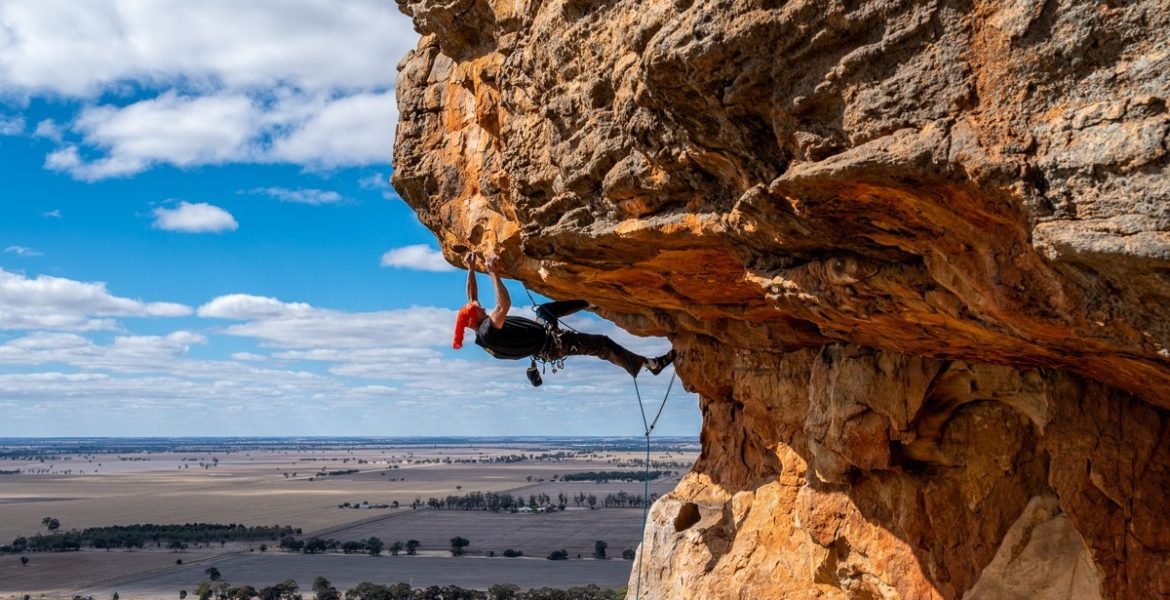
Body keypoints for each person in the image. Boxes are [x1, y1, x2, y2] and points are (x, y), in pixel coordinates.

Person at [453, 252, 675, 381]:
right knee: (602, 344)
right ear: (475, 320)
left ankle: (590, 300)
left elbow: (472, 297)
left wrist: (471, 268)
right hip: (553, 345)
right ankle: (650, 364)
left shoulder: (480, 330)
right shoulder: (488, 330)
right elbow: (504, 305)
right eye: (479, 310)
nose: (482, 308)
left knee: (545, 311)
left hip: (543, 338)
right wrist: (493, 271)